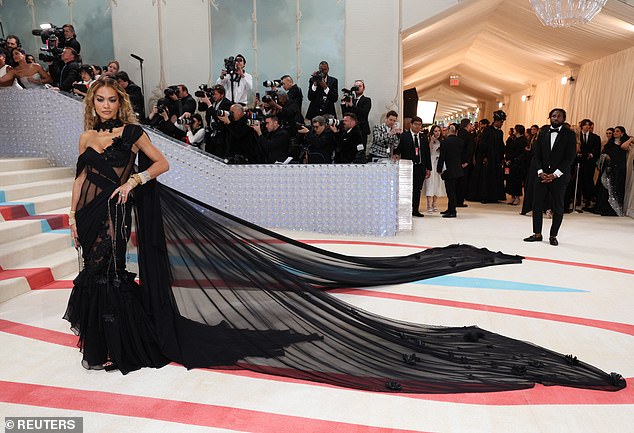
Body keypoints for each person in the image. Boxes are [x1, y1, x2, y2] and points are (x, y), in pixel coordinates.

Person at [62, 78, 625, 394]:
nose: (107, 106)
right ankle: (107, 345)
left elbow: (161, 165)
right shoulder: (87, 133)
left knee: (115, 273)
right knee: (96, 273)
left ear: (123, 104)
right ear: (93, 104)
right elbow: (82, 177)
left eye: (113, 100)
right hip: (91, 212)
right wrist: (70, 212)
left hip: (122, 209)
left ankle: (121, 346)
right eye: (101, 100)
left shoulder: (134, 132)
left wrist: (135, 177)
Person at [524, 108, 577, 246]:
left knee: (558, 207)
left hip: (559, 177)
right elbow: (537, 155)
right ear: (549, 118)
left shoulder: (570, 135)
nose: (556, 118)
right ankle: (537, 234)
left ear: (563, 119)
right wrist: (540, 172)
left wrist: (554, 175)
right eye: (553, 116)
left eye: (559, 116)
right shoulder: (543, 133)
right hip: (542, 176)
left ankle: (553, 235)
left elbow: (569, 158)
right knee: (537, 205)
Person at [394, 116, 431, 217]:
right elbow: (398, 149)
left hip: (420, 167)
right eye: (416, 124)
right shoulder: (404, 136)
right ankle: (405, 209)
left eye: (420, 125)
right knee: (406, 189)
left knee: (417, 189)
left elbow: (427, 153)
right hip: (408, 167)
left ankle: (415, 210)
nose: (418, 126)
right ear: (411, 125)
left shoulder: (423, 137)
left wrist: (429, 168)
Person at [593, 126, 632, 216]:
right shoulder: (609, 143)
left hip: (619, 169)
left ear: (622, 133)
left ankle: (614, 210)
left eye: (617, 131)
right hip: (609, 168)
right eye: (614, 131)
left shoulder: (625, 143)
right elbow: (603, 153)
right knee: (606, 188)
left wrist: (630, 138)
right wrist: (605, 156)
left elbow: (623, 147)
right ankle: (603, 208)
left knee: (616, 187)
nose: (615, 133)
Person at [437, 123, 464, 218]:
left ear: (449, 131)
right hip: (457, 169)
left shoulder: (445, 142)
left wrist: (439, 169)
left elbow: (442, 157)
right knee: (453, 191)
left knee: (450, 192)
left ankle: (452, 211)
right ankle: (450, 208)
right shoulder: (460, 141)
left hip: (448, 170)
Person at [578, 119, 602, 210]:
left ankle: (587, 200)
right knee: (577, 180)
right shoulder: (577, 136)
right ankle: (576, 199)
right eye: (585, 125)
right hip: (578, 162)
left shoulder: (595, 137)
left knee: (587, 181)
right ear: (582, 126)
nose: (587, 126)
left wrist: (592, 154)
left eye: (589, 125)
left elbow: (597, 149)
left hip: (589, 163)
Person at [340, 80, 371, 145]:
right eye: (356, 86)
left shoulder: (367, 100)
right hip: (351, 129)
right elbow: (345, 115)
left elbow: (364, 113)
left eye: (360, 86)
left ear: (364, 88)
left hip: (362, 129)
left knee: (361, 150)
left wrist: (352, 106)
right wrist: (343, 104)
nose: (358, 88)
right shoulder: (351, 100)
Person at [424, 125, 446, 213]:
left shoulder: (442, 141)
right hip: (430, 163)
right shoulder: (428, 140)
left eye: (438, 131)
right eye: (435, 131)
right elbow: (428, 152)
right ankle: (429, 204)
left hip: (439, 164)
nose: (437, 133)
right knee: (430, 183)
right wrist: (431, 142)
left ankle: (434, 203)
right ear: (432, 132)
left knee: (438, 183)